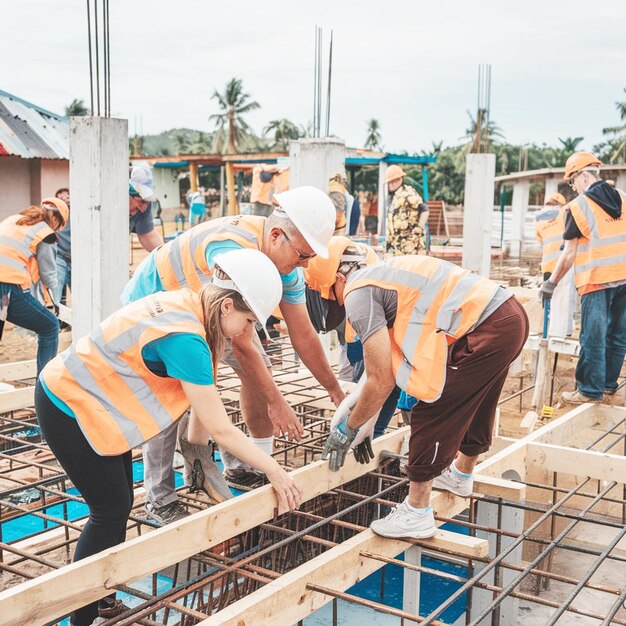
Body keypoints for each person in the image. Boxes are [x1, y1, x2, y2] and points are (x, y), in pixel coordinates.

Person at [36, 249, 303, 626]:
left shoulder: (194, 304)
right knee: (109, 511)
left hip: (89, 403)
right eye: (247, 320)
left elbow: (200, 408)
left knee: (117, 506)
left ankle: (99, 602)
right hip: (68, 405)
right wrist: (276, 471)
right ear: (227, 306)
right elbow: (221, 427)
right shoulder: (186, 339)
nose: (248, 332)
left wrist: (195, 450)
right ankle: (84, 616)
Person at [122, 186, 344, 524]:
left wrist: (334, 390)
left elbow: (303, 334)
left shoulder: (287, 265)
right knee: (168, 396)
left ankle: (241, 467)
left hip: (210, 311)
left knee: (259, 368)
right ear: (275, 235)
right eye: (302, 255)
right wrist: (276, 402)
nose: (305, 265)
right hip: (156, 305)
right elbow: (241, 342)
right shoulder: (230, 245)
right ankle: (160, 499)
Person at [315, 254, 528, 539]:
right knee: (479, 402)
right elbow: (380, 374)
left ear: (340, 279)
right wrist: (363, 423)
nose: (338, 302)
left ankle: (416, 512)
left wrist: (349, 428)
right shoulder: (381, 276)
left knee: (433, 407)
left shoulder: (357, 293)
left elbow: (380, 381)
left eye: (331, 294)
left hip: (486, 326)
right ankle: (460, 476)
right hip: (506, 316)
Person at [540, 151, 626, 404]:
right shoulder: (622, 197)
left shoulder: (578, 207)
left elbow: (568, 255)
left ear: (582, 176)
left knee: (592, 335)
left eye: (571, 181)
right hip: (624, 278)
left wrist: (550, 283)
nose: (572, 187)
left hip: (596, 279)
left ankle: (589, 390)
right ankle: (609, 384)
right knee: (617, 335)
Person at [0, 198, 68, 374]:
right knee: (50, 326)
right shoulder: (45, 233)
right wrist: (56, 303)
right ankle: (45, 386)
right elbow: (48, 274)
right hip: (5, 289)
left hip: (6, 286)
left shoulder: (15, 220)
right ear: (56, 220)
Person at [534, 192, 576, 337]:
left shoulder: (538, 219)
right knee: (565, 298)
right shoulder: (564, 213)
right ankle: (563, 333)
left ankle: (548, 332)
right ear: (560, 204)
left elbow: (540, 244)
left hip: (546, 265)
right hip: (564, 263)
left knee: (548, 298)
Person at [385, 165, 429, 255]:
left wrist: (418, 230)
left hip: (411, 246)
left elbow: (425, 210)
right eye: (389, 182)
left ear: (400, 179)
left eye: (393, 181)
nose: (391, 184)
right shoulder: (395, 197)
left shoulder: (408, 193)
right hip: (398, 247)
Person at [129, 165, 164, 252]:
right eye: (141, 201)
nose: (143, 208)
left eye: (147, 202)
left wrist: (166, 257)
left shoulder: (143, 207)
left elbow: (148, 236)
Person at [53, 188, 72, 306]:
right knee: (58, 286)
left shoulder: (80, 212)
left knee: (79, 290)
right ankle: (58, 319)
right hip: (60, 255)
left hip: (77, 257)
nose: (65, 199)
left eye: (67, 196)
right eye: (61, 198)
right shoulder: (56, 216)